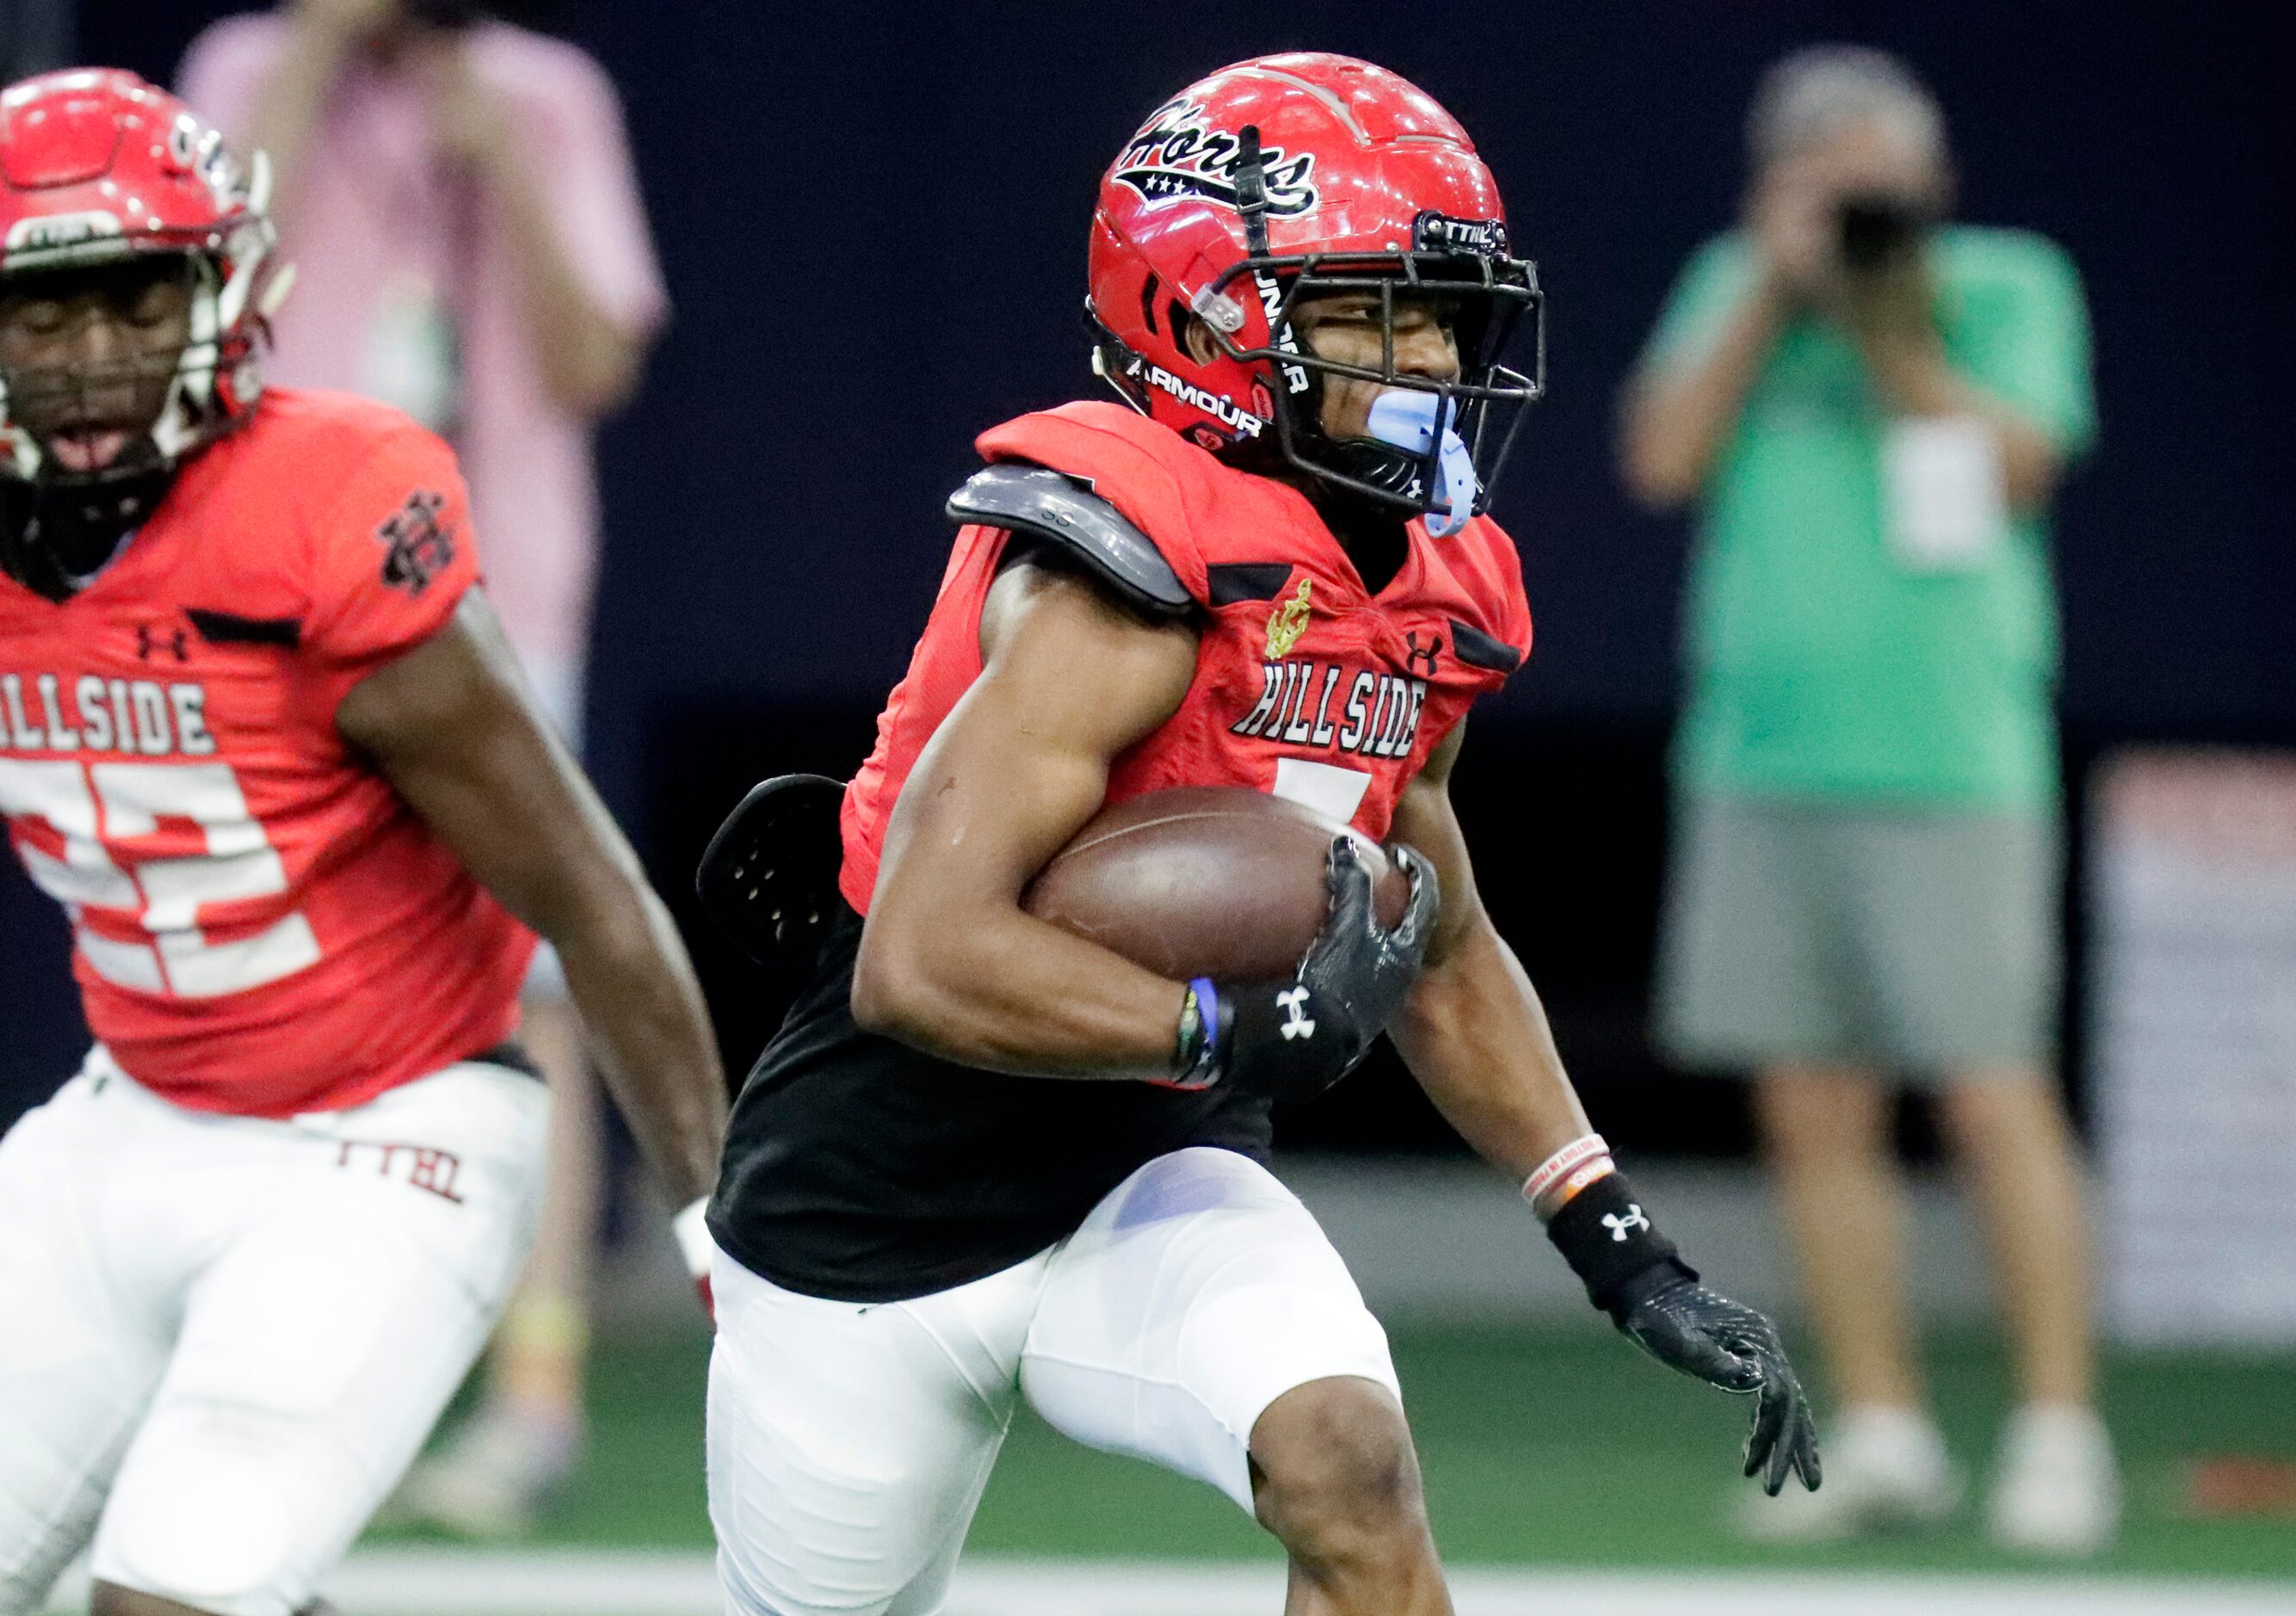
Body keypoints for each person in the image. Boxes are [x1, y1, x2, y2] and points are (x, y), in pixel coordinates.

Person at [704, 53, 1818, 1616]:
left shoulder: (1428, 587)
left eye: (1442, 314)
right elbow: (918, 959)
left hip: (1146, 1161)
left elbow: (1433, 932)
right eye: (1376, 313)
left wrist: (1616, 1237)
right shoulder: (1118, 575)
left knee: (1347, 1465)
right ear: (1211, 317)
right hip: (880, 1190)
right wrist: (1224, 1019)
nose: (1432, 357)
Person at [0, 70, 722, 1616]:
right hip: (128, 1110)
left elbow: (591, 897)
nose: (90, 358)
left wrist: (727, 1242)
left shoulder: (318, 509)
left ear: (219, 289)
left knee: (170, 1602)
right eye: (42, 311)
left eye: (133, 298)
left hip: (387, 1132)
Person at [177, 0, 669, 1532]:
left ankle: (531, 1405)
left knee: (532, 984)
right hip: (260, 597)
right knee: (252, 977)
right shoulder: (246, 71)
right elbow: (196, 303)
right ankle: (254, 1383)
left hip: (494, 603)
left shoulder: (545, 92)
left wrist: (501, 162)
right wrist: (323, 50)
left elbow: (594, 358)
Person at [1619, 46, 2109, 1551]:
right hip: (1764, 752)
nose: (1854, 206)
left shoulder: (2010, 283)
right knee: (1812, 1097)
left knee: (1988, 1083)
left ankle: (2055, 1427)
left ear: (1932, 181)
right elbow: (1659, 457)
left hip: (1954, 756)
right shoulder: (1732, 282)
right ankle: (1884, 1421)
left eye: (1876, 178)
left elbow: (2016, 462)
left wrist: (1884, 319)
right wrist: (1774, 289)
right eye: (1821, 177)